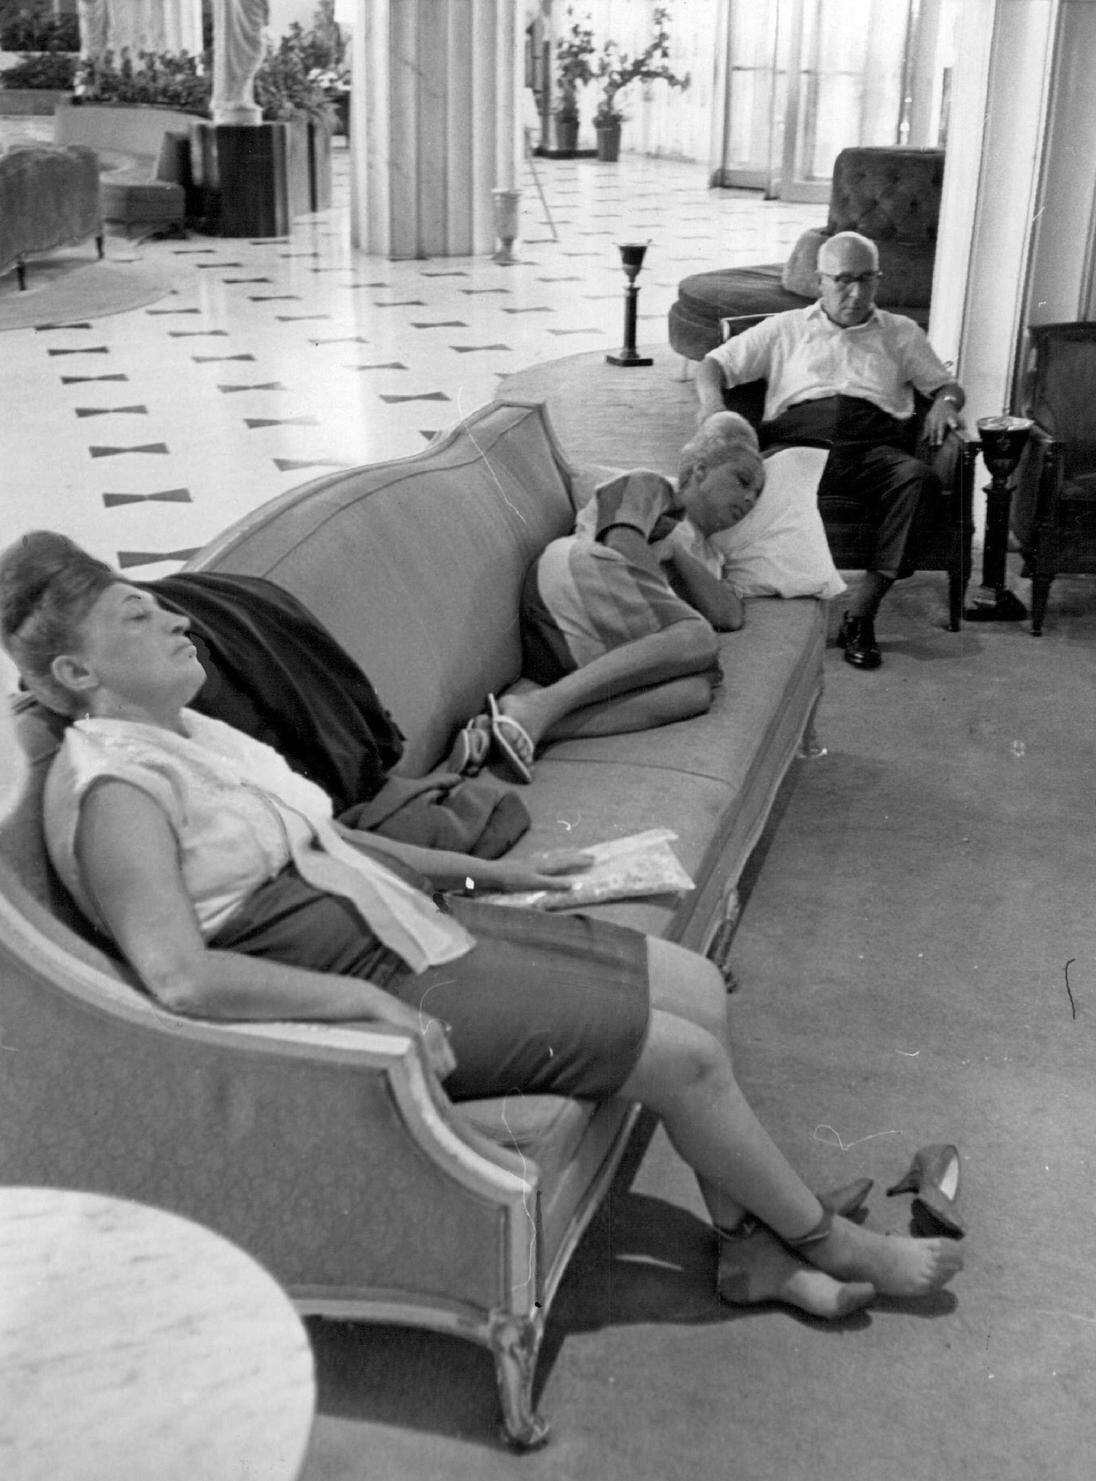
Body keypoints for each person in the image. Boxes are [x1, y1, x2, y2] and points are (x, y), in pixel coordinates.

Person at [0, 530, 963, 1317]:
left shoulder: (190, 732)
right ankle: (819, 1239)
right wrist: (356, 1004)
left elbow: (335, 844)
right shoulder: (114, 786)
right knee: (683, 1056)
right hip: (359, 983)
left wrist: (497, 872)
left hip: (405, 930)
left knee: (698, 988)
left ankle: (750, 1247)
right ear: (79, 669)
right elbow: (180, 977)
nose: (175, 616)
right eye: (140, 612)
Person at [694, 231, 967, 671]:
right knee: (730, 491)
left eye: (866, 279)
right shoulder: (785, 328)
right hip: (797, 444)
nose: (855, 293)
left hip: (873, 448)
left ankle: (861, 616)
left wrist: (945, 403)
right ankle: (718, 600)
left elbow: (947, 385)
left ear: (878, 280)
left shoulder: (901, 332)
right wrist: (711, 407)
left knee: (919, 480)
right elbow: (712, 365)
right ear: (819, 281)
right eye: (842, 280)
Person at [454, 413, 766, 783]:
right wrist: (677, 621)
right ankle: (535, 708)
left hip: (591, 647)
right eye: (742, 480)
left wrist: (677, 555)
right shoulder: (653, 488)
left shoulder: (711, 558)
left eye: (758, 494)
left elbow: (730, 615)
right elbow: (622, 540)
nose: (749, 497)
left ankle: (513, 725)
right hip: (572, 580)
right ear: (700, 470)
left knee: (696, 692)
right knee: (698, 639)